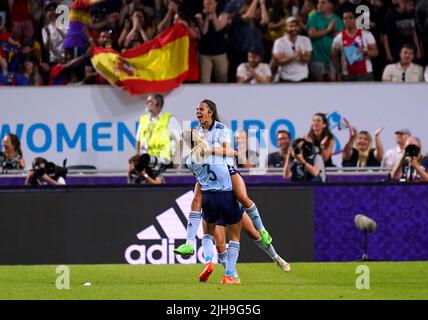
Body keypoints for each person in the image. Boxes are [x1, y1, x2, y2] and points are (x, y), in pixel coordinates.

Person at [174, 99, 274, 257]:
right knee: (196, 199)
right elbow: (196, 153)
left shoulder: (221, 129)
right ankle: (189, 244)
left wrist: (209, 150)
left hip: (227, 171)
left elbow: (231, 152)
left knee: (242, 197)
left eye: (201, 109)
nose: (197, 112)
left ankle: (262, 230)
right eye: (196, 109)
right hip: (209, 175)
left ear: (210, 112)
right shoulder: (197, 132)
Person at [183, 129, 243, 285]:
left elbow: (199, 179)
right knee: (235, 237)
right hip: (227, 195)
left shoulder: (189, 161)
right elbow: (235, 155)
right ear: (200, 137)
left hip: (208, 197)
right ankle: (229, 275)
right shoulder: (215, 151)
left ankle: (208, 262)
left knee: (208, 235)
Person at [135, 94, 182, 167]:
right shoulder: (143, 120)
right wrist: (137, 156)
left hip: (163, 161)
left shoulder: (169, 119)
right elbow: (138, 140)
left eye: (150, 101)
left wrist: (176, 159)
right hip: (146, 161)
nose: (147, 103)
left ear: (158, 104)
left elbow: (180, 139)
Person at [331, 9, 379, 81]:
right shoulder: (339, 37)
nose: (347, 20)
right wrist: (338, 72)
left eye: (350, 18)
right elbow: (334, 55)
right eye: (345, 19)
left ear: (356, 20)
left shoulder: (366, 34)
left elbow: (375, 52)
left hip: (365, 74)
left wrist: (364, 52)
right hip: (347, 75)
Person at [307, 0, 344, 81]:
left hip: (333, 58)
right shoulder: (313, 17)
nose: (319, 4)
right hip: (317, 57)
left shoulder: (337, 19)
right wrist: (328, 30)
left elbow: (341, 38)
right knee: (317, 85)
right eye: (318, 2)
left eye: (323, 2)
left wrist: (333, 32)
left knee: (333, 83)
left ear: (331, 5)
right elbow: (311, 34)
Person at [272, 16, 312, 82]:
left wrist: (301, 55)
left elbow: (308, 60)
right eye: (291, 26)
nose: (294, 28)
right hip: (285, 78)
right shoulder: (279, 42)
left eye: (296, 26)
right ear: (285, 27)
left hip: (302, 77)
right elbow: (279, 62)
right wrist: (294, 56)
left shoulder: (306, 40)